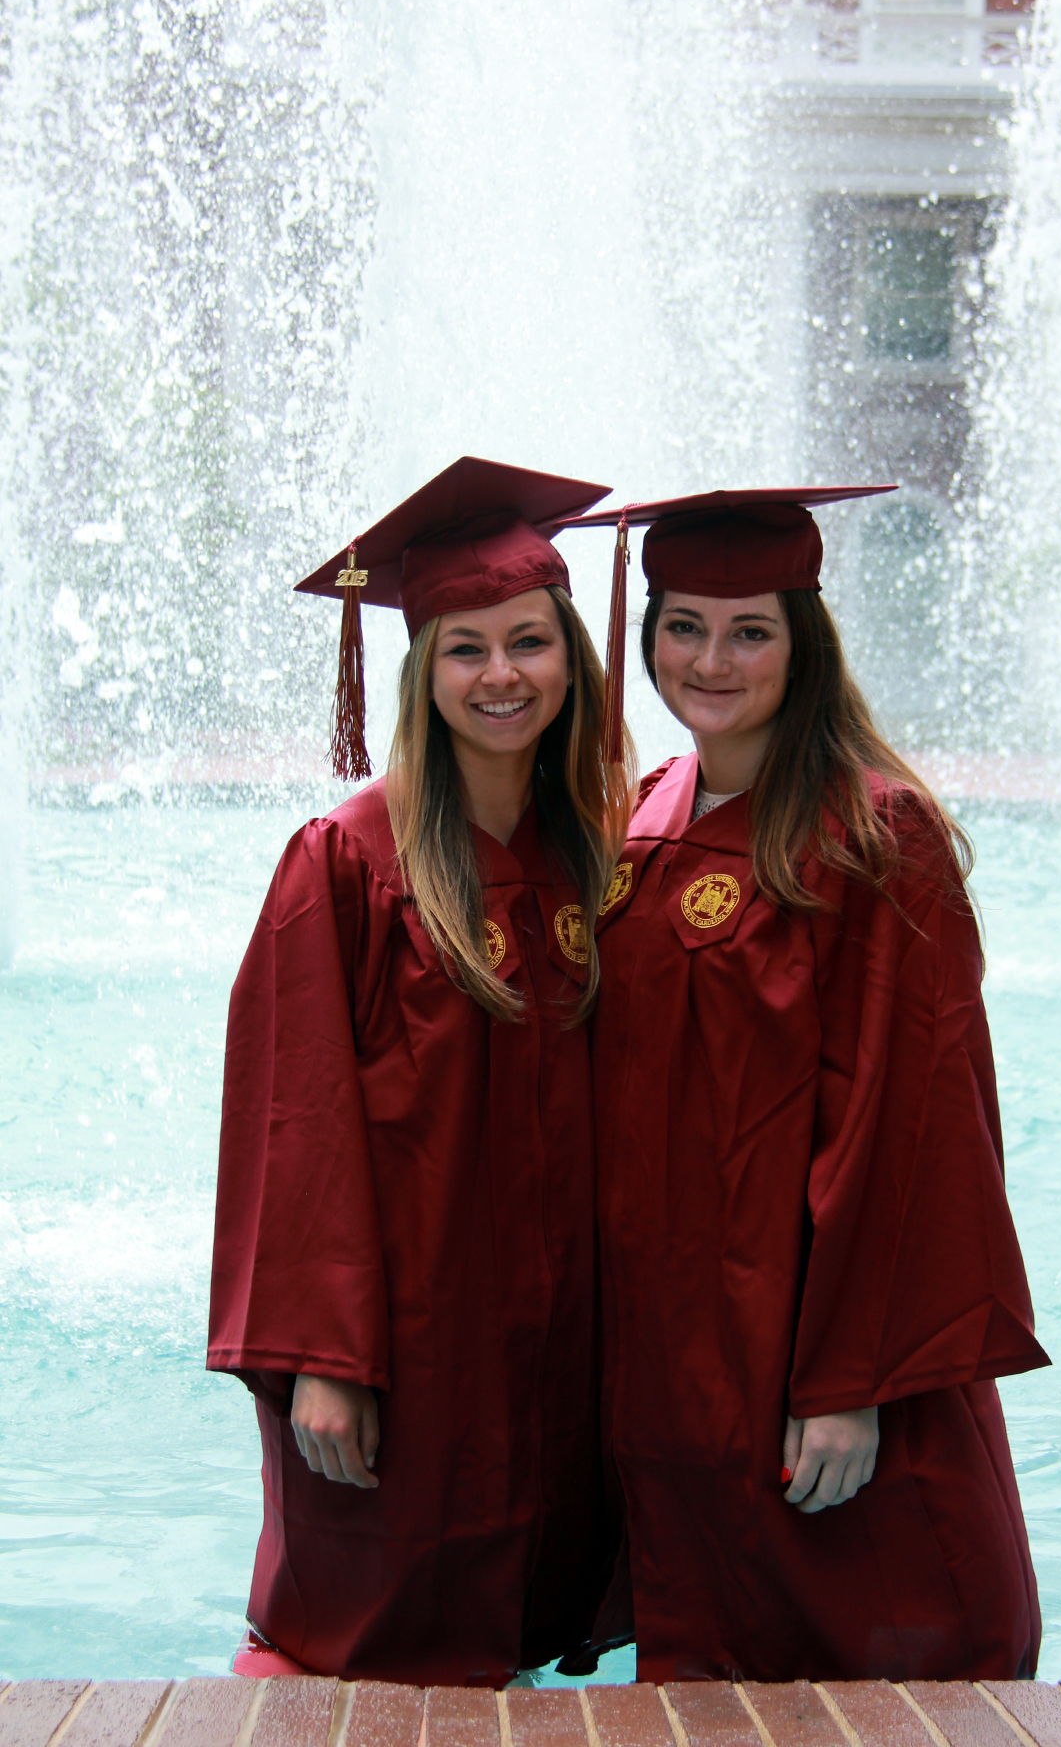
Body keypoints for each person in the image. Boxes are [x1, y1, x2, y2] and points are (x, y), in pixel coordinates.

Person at [564, 488, 1051, 1684]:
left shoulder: (874, 833)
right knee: (706, 1668)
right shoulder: (642, 817)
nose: (710, 660)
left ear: (805, 642)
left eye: (750, 630)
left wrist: (851, 1379)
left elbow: (913, 1123)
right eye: (683, 626)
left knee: (875, 1661)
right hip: (677, 1355)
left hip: (809, 1359)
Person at [207, 456, 633, 1686]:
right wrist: (324, 1359)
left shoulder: (592, 853)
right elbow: (294, 1124)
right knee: (368, 1637)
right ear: (417, 671)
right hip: (409, 1332)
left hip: (558, 1331)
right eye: (464, 649)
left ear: (571, 658)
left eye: (528, 643)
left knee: (518, 1628)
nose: (501, 676)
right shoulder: (345, 861)